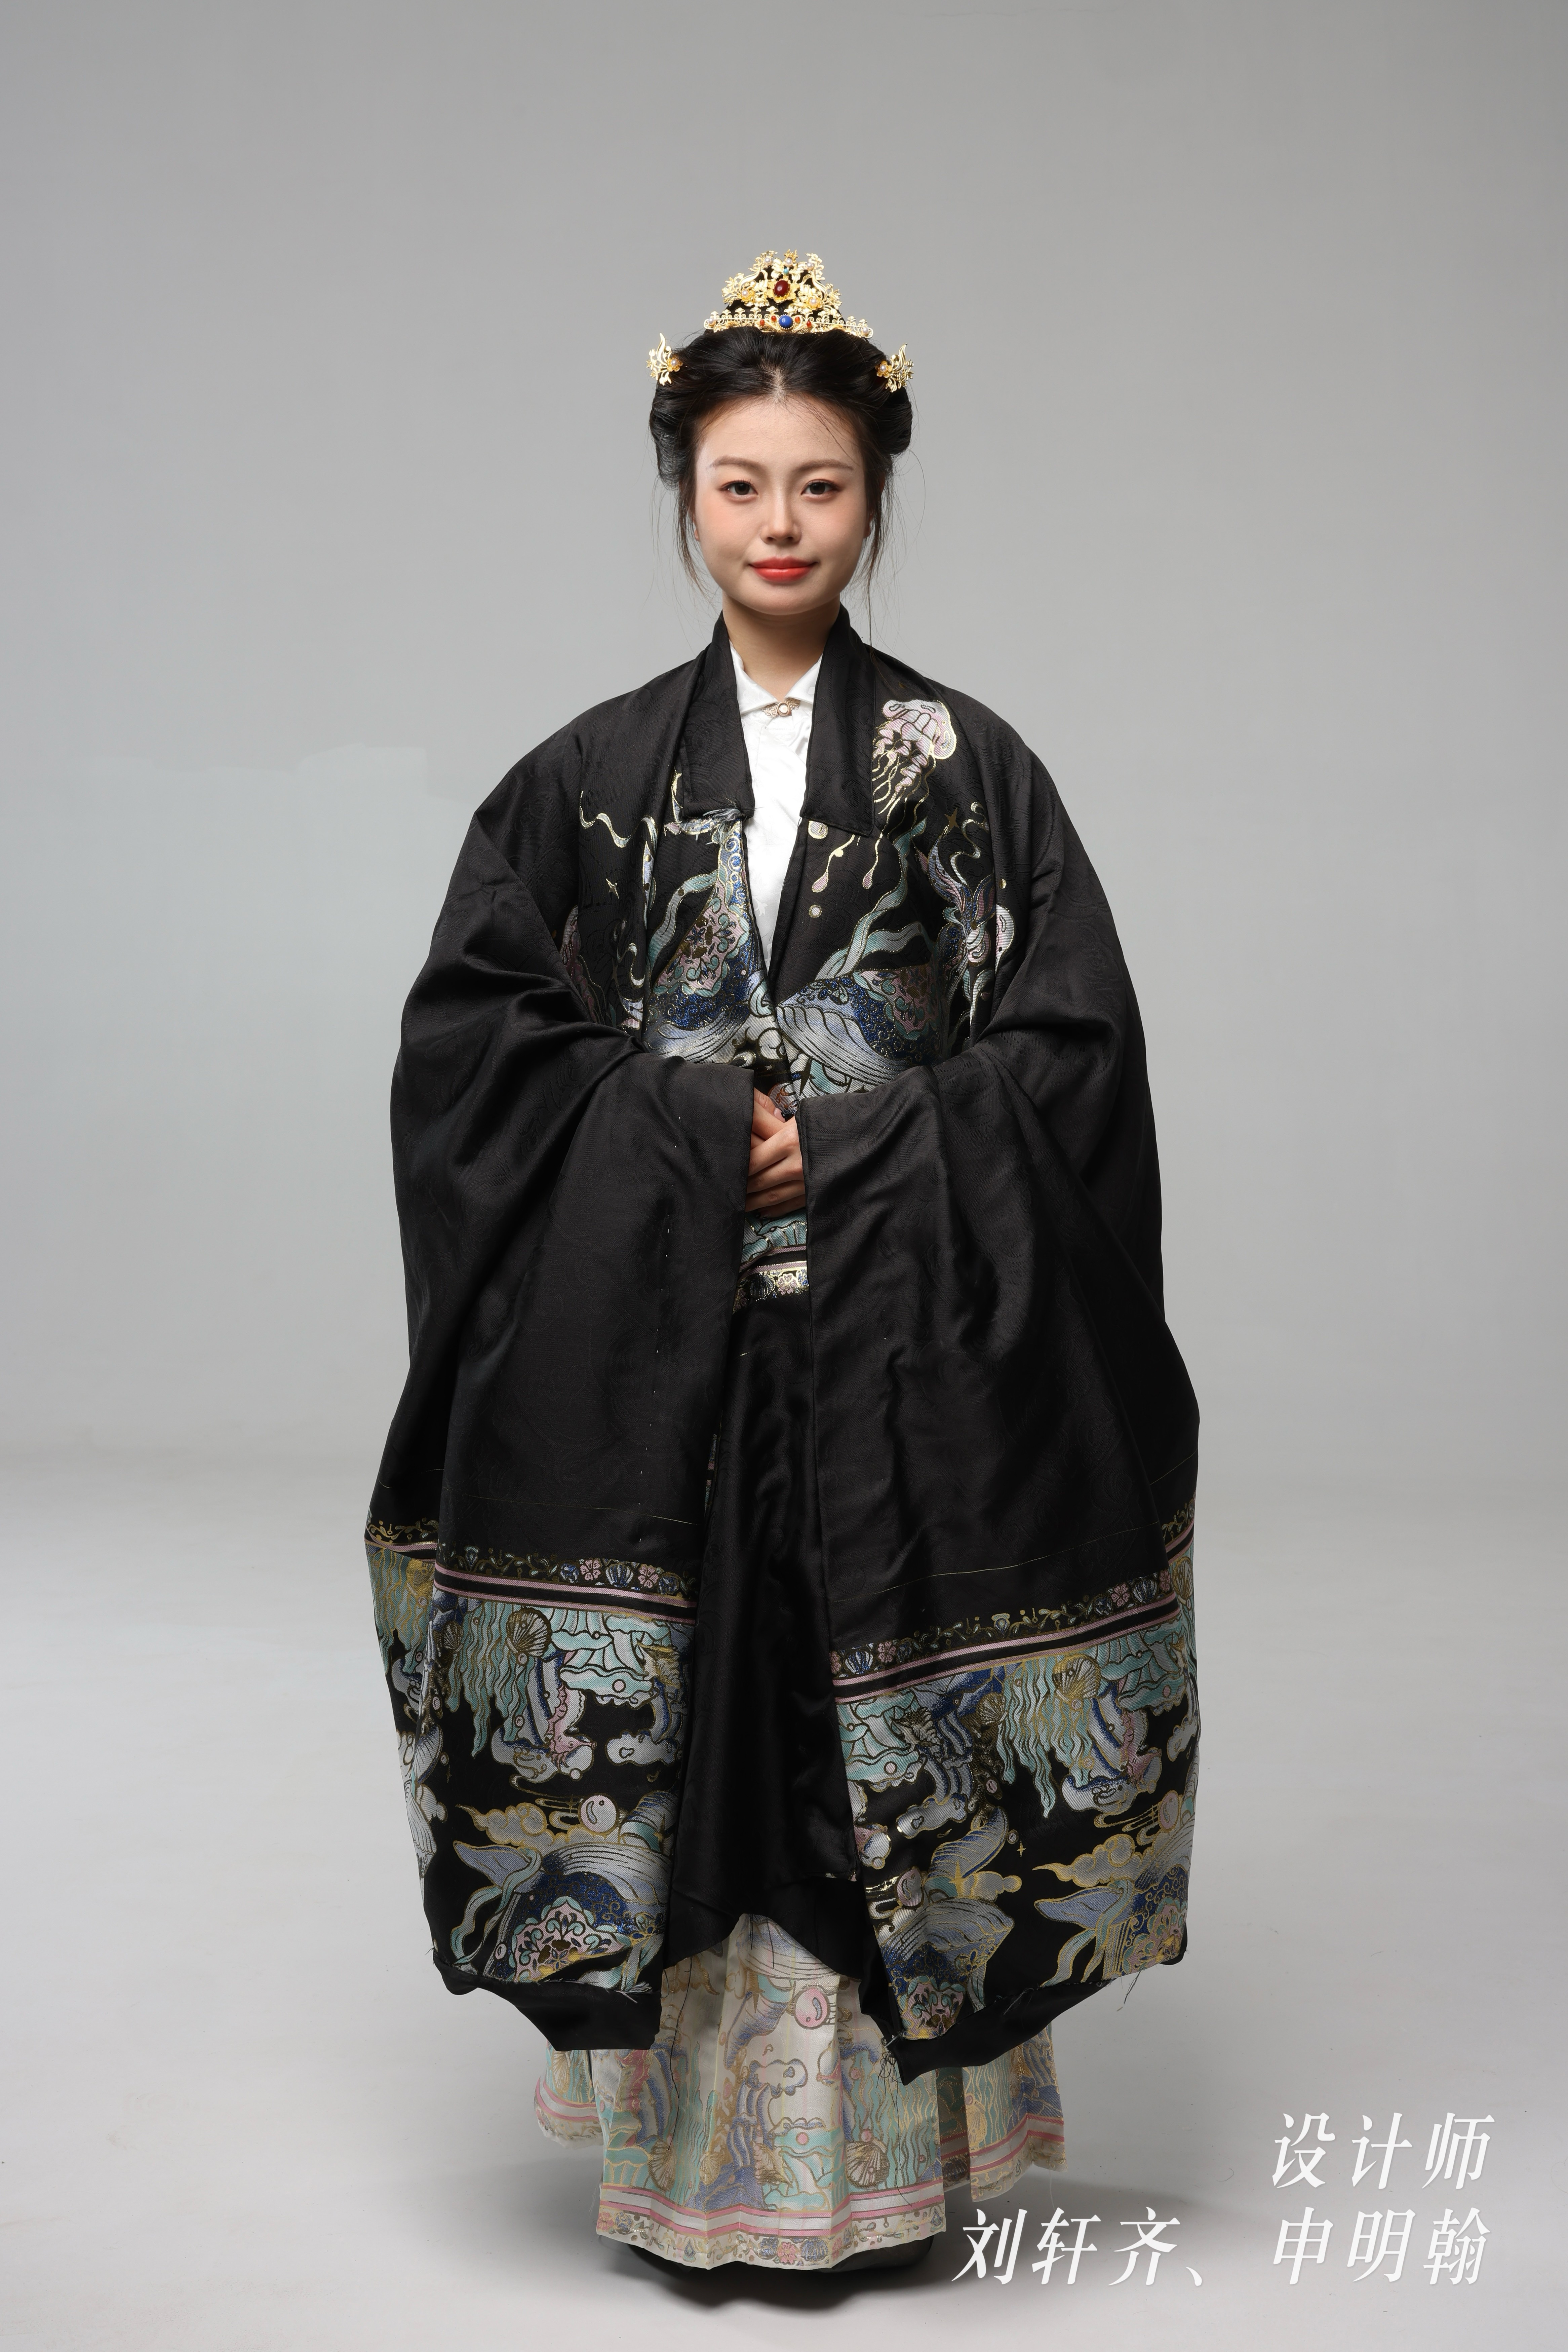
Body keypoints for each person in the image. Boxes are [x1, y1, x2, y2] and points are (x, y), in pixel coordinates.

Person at [365, 250, 1199, 2276]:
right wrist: (677, 1136)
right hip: (662, 1368)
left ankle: (885, 2178)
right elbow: (474, 1053)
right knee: (703, 1746)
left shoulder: (968, 772)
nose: (779, 525)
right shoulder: (584, 780)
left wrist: (846, 1145)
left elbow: (1072, 1059)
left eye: (820, 485)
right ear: (685, 494)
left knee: (863, 1746)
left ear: (874, 498)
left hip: (901, 1364)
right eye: (740, 484)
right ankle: (698, 2172)